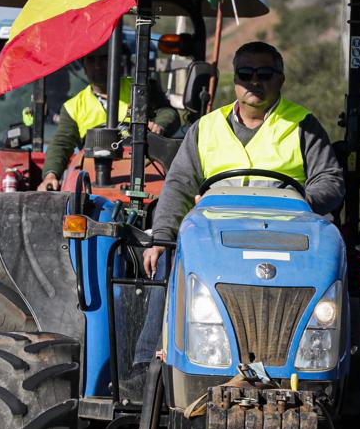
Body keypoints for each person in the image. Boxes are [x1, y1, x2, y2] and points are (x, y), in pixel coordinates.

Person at [142, 41, 345, 277]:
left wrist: (297, 203)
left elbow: (329, 179)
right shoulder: (206, 127)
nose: (255, 82)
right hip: (214, 241)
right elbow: (179, 185)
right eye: (246, 74)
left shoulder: (304, 125)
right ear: (236, 80)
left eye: (265, 74)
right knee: (163, 272)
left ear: (281, 79)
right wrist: (161, 237)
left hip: (287, 240)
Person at [38, 39, 180, 191]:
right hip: (93, 179)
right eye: (91, 60)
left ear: (117, 61)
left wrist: (159, 125)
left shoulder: (140, 90)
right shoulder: (73, 107)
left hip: (143, 169)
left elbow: (168, 112)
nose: (98, 66)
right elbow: (62, 143)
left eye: (104, 58)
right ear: (84, 66)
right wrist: (51, 175)